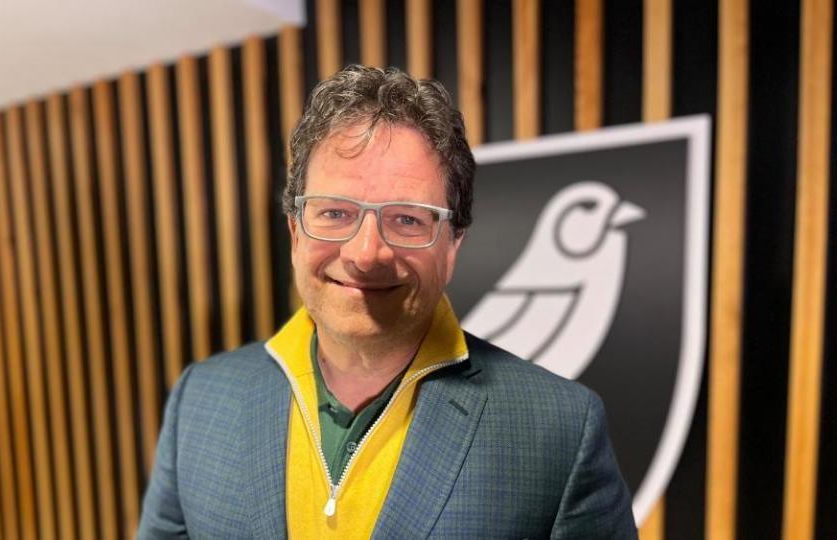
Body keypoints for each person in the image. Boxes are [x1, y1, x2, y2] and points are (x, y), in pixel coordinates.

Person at [138, 65, 637, 539]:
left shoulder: (559, 430)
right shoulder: (200, 401)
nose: (365, 253)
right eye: (334, 213)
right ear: (295, 233)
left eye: (407, 219)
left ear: (453, 243)